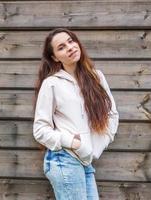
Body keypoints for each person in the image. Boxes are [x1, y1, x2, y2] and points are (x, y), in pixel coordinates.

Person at [32, 28, 119, 200]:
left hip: (86, 161)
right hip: (64, 159)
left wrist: (98, 146)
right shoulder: (52, 84)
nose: (70, 47)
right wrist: (75, 144)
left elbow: (112, 115)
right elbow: (40, 130)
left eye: (71, 41)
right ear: (55, 58)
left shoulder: (97, 78)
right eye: (62, 47)